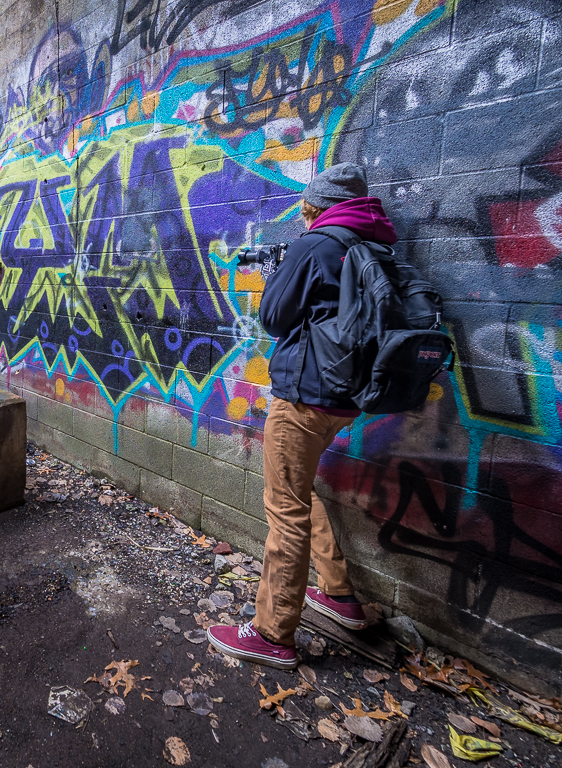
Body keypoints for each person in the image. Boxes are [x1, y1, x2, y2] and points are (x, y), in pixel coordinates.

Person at [207, 163, 398, 669]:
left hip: (304, 397)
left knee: (284, 508)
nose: (305, 216)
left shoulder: (315, 245)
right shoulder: (373, 244)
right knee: (298, 491)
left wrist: (276, 275)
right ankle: (338, 594)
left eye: (307, 209)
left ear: (317, 206)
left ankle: (272, 634)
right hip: (345, 398)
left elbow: (274, 317)